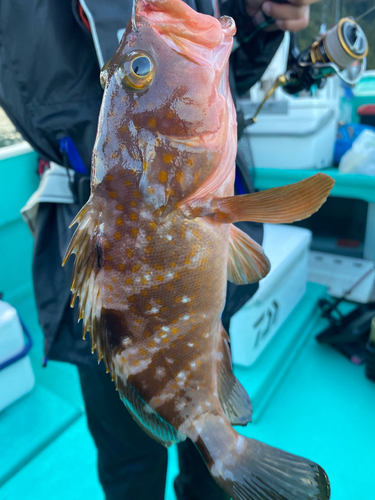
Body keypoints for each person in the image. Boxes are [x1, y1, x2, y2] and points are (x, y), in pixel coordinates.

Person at [0, 1, 320, 499]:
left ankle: (216, 447)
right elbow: (51, 98)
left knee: (204, 480)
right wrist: (153, 70)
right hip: (119, 295)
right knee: (131, 471)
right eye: (140, 69)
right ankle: (218, 444)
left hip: (194, 284)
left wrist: (262, 17)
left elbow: (227, 75)